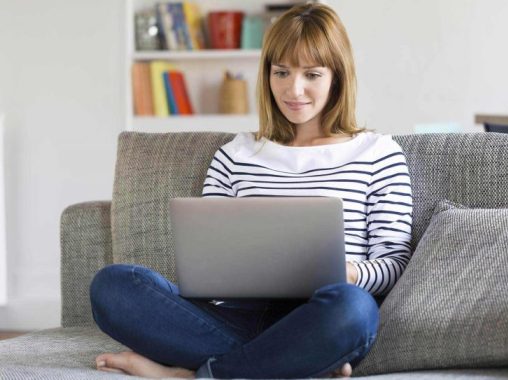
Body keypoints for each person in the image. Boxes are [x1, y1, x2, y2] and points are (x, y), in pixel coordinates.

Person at [89, 3, 412, 379]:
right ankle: (288, 365)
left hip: (320, 313)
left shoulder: (377, 153)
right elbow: (207, 257)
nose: (294, 90)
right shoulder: (236, 154)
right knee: (113, 286)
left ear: (337, 76)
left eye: (312, 74)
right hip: (232, 315)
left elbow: (394, 264)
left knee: (354, 310)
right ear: (267, 75)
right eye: (281, 73)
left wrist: (351, 272)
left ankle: (196, 375)